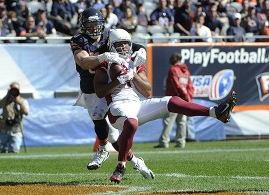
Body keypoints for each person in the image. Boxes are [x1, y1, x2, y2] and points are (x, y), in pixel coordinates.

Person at [93, 28, 237, 183]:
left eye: (126, 44)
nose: (123, 48)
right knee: (131, 122)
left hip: (136, 104)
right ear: (111, 45)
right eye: (119, 44)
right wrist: (118, 81)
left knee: (172, 101)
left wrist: (133, 73)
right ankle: (120, 166)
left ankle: (215, 112)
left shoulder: (133, 61)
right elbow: (100, 92)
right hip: (117, 107)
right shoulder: (104, 63)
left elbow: (148, 92)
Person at [70, 8, 154, 179]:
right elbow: (84, 62)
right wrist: (104, 56)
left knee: (107, 122)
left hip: (114, 86)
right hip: (92, 88)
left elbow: (131, 43)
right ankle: (134, 161)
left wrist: (142, 50)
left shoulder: (110, 34)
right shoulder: (78, 40)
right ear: (83, 26)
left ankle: (104, 150)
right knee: (107, 128)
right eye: (90, 25)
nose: (94, 28)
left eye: (96, 24)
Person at [154, 52, 194, 149]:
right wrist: (187, 98)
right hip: (184, 100)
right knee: (182, 122)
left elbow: (177, 85)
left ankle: (164, 142)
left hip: (173, 99)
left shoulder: (173, 70)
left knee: (168, 121)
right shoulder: (186, 71)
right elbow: (190, 87)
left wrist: (182, 95)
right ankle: (181, 142)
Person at [0, 82, 29, 153]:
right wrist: (7, 95)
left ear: (19, 90)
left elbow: (26, 112)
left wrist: (19, 102)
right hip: (4, 129)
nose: (14, 91)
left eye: (16, 89)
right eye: (12, 89)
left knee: (14, 150)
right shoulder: (6, 100)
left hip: (16, 130)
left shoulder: (23, 101)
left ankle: (8, 148)